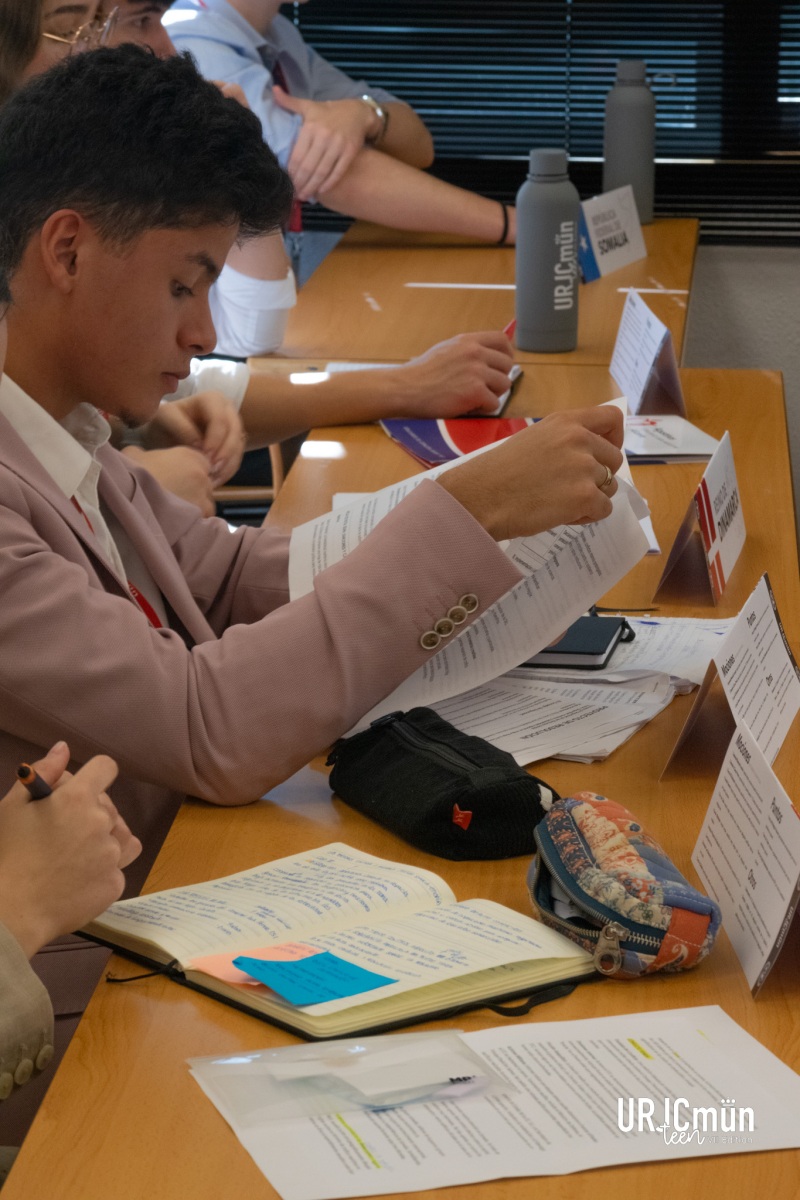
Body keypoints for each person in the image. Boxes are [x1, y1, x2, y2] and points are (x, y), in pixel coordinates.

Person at [0, 45, 620, 1130]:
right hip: (66, 1012)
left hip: (159, 916)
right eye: (184, 283)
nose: (203, 333)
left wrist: (463, 516)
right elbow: (208, 729)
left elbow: (223, 577)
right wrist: (461, 518)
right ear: (66, 250)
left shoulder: (63, 434)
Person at [165, 0, 518, 244]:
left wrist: (365, 115)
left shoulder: (279, 33)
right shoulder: (191, 35)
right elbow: (314, 168)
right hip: (220, 304)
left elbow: (419, 148)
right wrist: (517, 227)